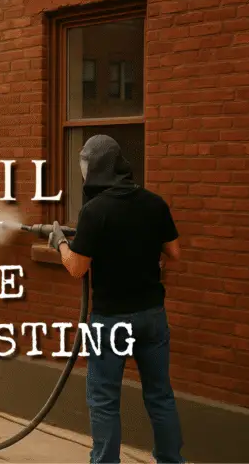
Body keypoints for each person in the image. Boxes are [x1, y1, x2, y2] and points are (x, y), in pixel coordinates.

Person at [47, 134, 185, 464]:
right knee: (160, 396)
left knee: (104, 399)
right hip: (152, 316)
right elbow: (174, 252)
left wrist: (60, 243)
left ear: (96, 167)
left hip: (111, 321)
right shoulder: (154, 203)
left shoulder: (94, 211)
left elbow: (77, 268)